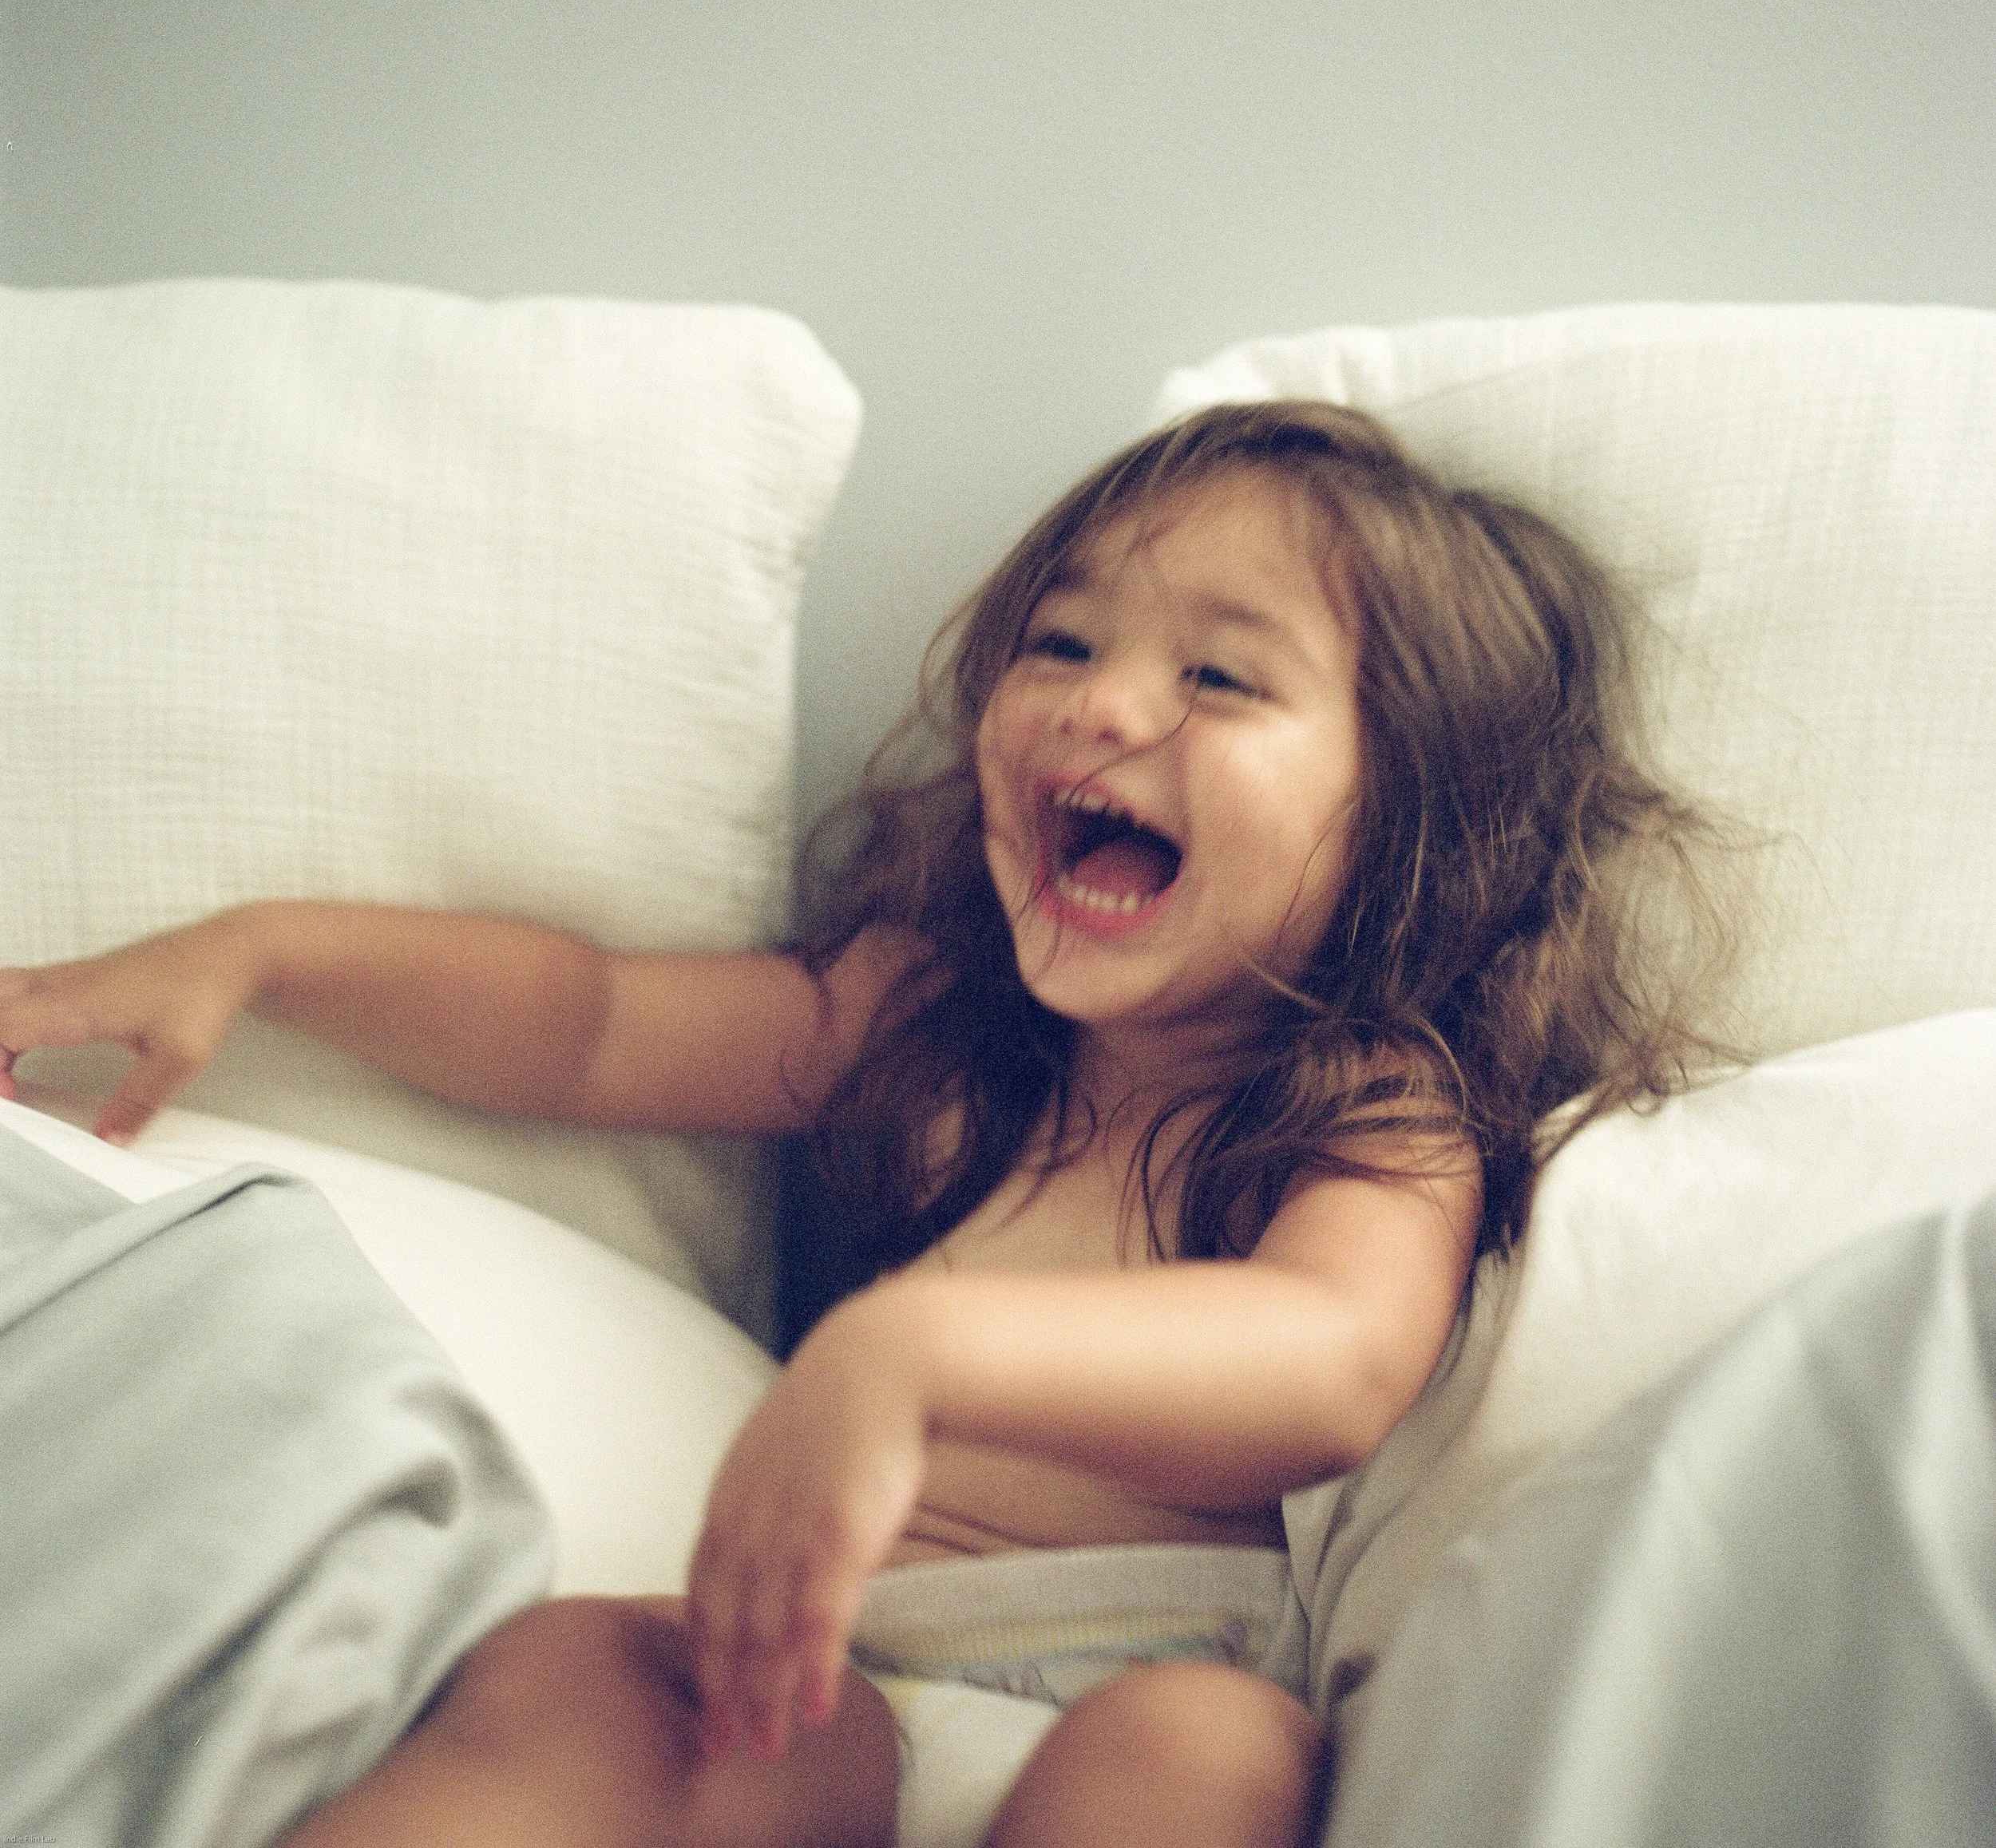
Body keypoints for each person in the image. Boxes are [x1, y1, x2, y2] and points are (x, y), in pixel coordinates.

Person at [0, 401, 1725, 1848]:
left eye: (1217, 677)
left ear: (1409, 811)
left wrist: (909, 1350)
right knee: (586, 1671)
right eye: (1060, 641)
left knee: (1213, 1752)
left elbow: (1328, 1351)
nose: (1101, 702)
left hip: (1128, 1704)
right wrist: (261, 955)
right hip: (813, 1679)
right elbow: (591, 1023)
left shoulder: (1364, 1100)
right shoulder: (931, 1034)